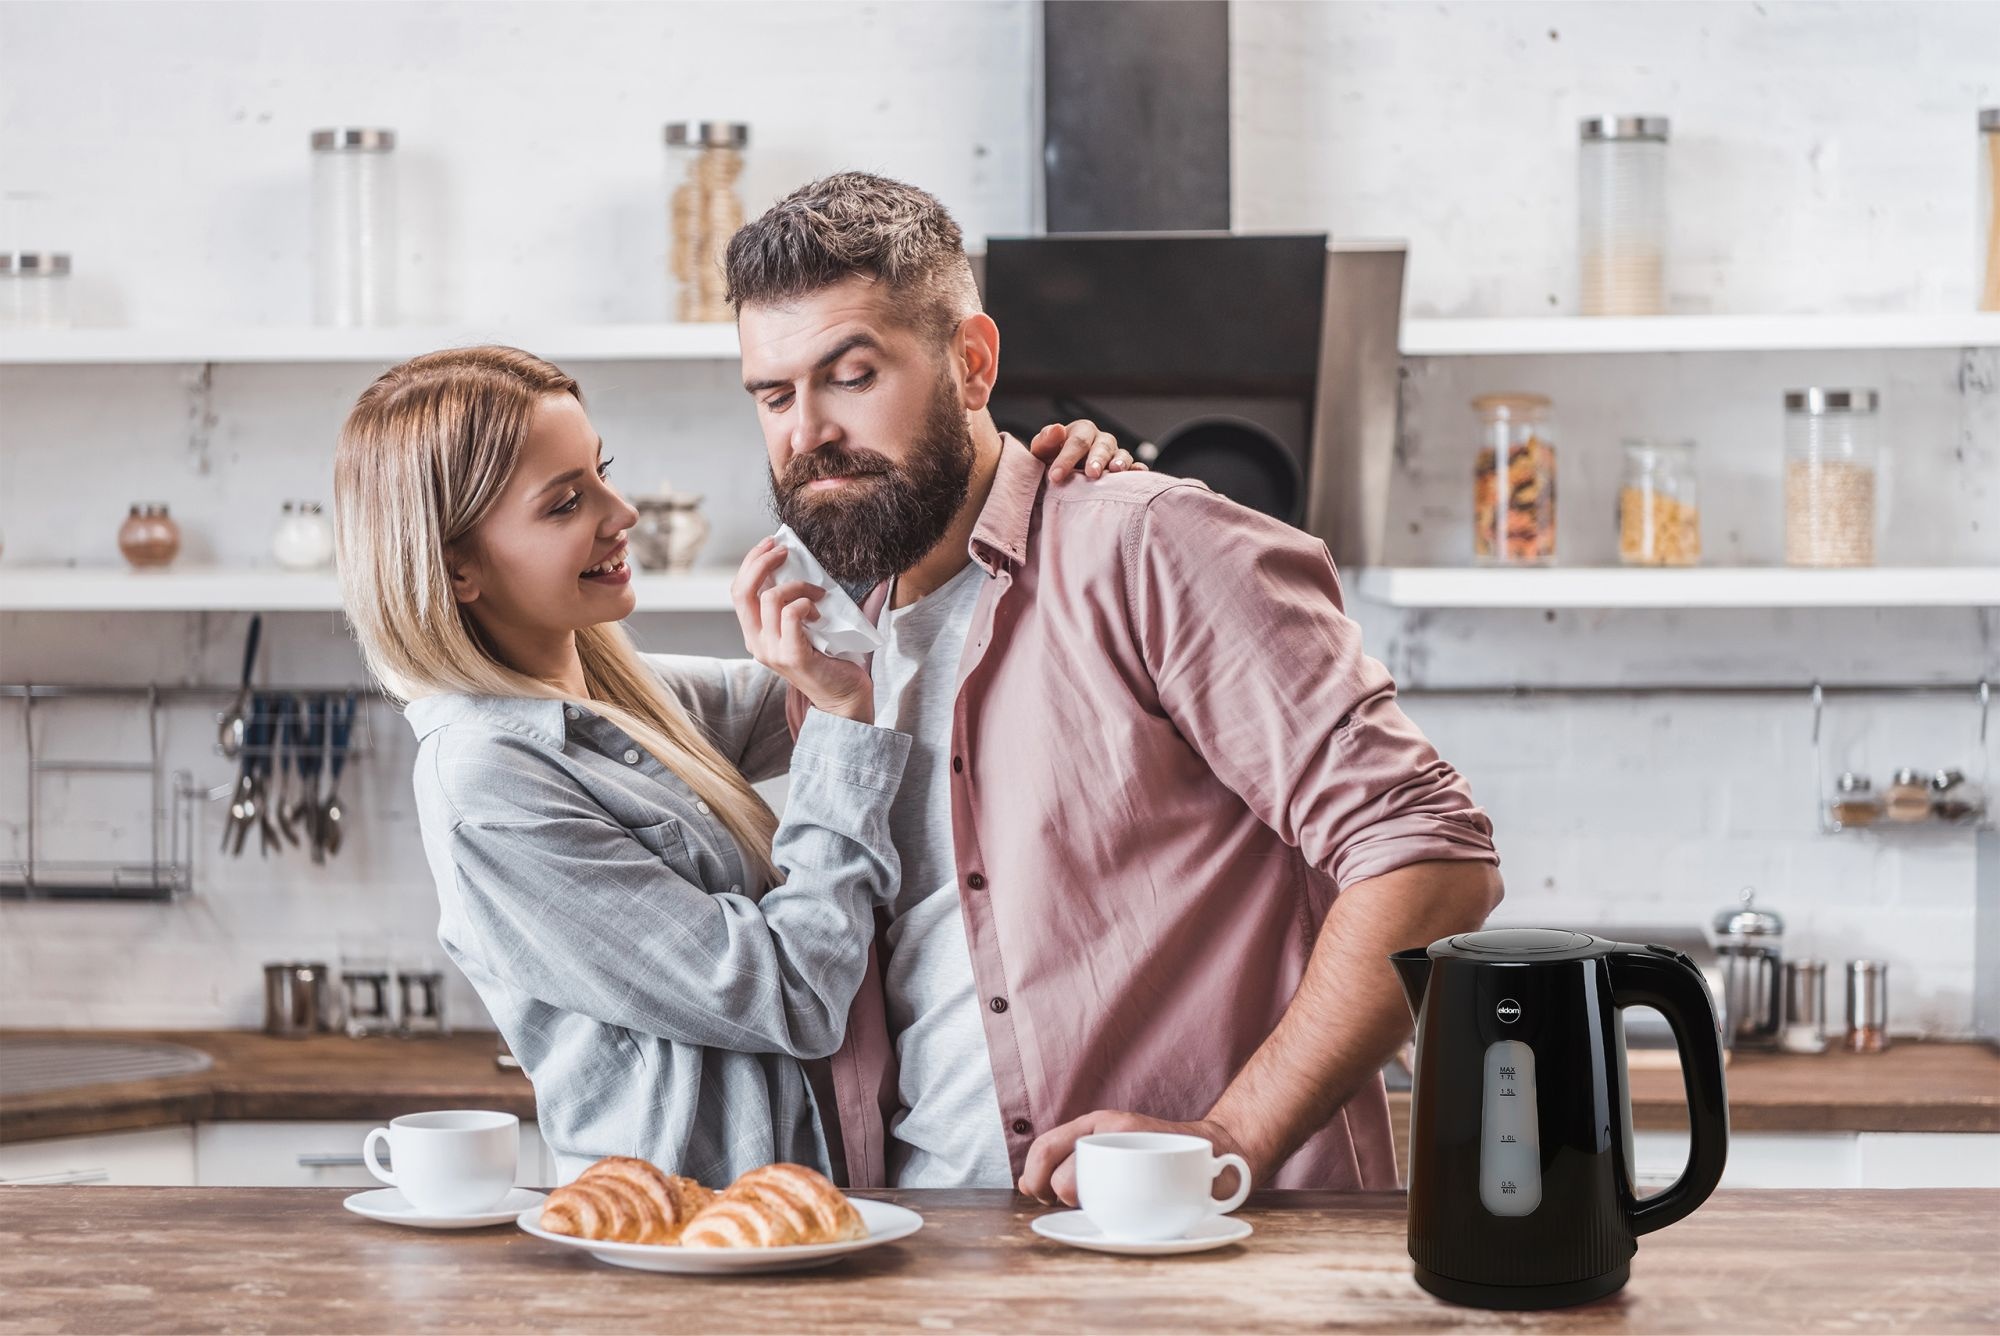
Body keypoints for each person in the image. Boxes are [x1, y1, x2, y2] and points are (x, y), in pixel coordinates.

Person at [723, 172, 1504, 1197]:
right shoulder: (837, 660)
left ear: (971, 362)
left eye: (851, 375)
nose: (807, 430)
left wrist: (1230, 1135)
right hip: (930, 1250)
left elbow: (1432, 858)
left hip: (1196, 1250)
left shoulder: (1148, 545)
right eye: (774, 396)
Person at [330, 344, 1137, 1184]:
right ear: (457, 567)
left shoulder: (613, 695)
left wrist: (1017, 494)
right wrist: (838, 715)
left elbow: (847, 671)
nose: (622, 512)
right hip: (691, 1242)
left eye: (602, 472)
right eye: (566, 503)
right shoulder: (488, 789)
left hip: (803, 1216)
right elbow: (793, 992)